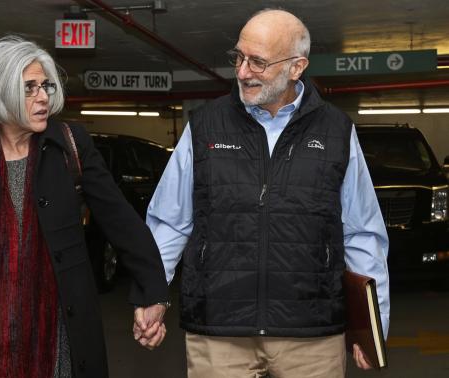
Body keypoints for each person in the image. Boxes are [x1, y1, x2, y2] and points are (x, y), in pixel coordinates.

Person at [146, 8, 390, 378]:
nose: (242, 72)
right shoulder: (205, 126)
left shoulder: (336, 131)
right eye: (238, 57)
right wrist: (151, 294)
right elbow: (169, 223)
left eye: (257, 62)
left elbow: (363, 234)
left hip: (311, 333)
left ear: (296, 67)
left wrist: (373, 326)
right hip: (219, 329)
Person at [0, 35, 168, 378]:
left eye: (45, 86)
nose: (44, 96)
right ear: (0, 93)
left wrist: (153, 292)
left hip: (61, 334)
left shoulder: (72, 147)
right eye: (29, 88)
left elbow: (122, 222)